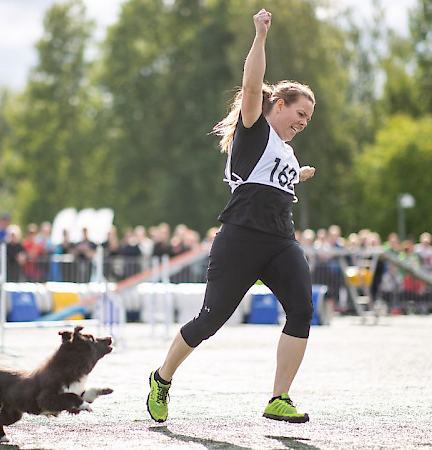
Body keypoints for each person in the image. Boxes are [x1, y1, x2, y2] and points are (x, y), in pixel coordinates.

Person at [147, 8, 317, 424]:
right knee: (209, 322)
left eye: (308, 120)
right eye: (299, 114)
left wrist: (299, 173)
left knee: (302, 309)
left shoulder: (286, 151)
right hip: (240, 238)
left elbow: (274, 181)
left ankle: (279, 398)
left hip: (280, 240)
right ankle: (162, 378)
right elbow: (251, 83)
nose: (303, 123)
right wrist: (260, 36)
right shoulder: (254, 127)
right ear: (278, 104)